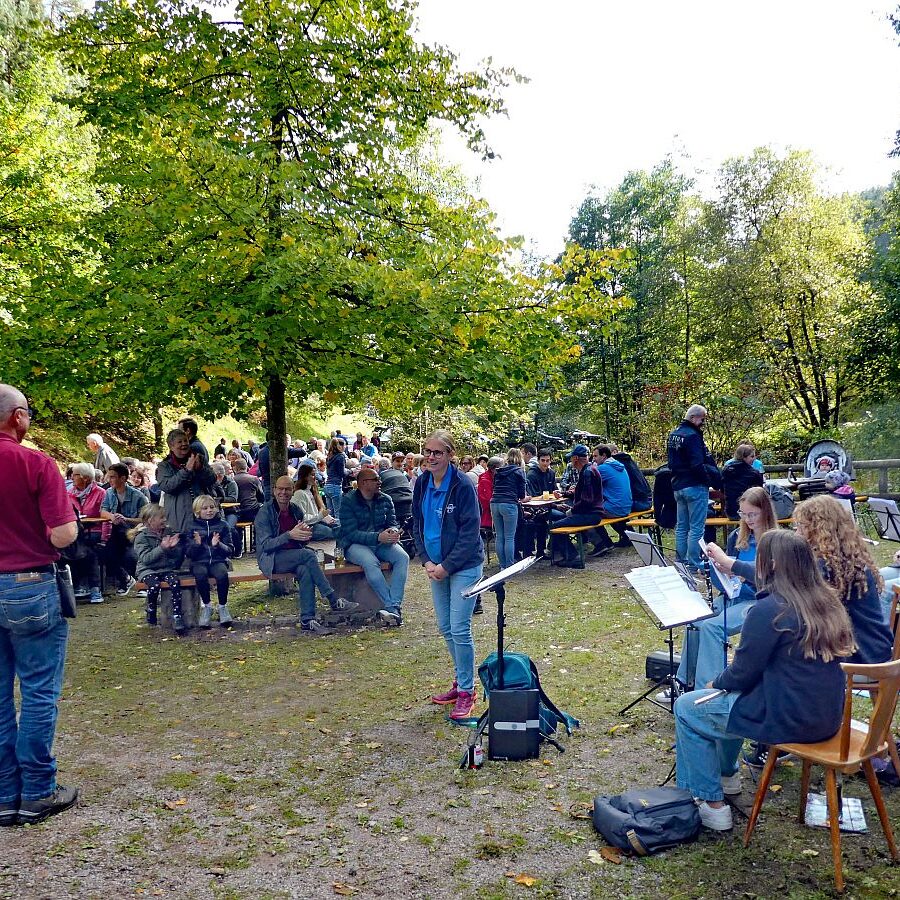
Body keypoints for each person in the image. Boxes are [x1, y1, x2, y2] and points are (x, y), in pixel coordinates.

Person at [674, 529, 855, 832]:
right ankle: (727, 775)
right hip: (827, 717)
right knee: (725, 703)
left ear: (771, 565)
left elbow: (741, 675)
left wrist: (715, 682)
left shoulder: (770, 610)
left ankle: (711, 803)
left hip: (787, 718)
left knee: (689, 707)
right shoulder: (827, 601)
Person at [0, 386, 79, 826]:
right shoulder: (34, 462)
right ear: (16, 417)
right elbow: (63, 533)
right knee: (37, 691)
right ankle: (36, 791)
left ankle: (3, 794)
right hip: (28, 583)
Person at [412, 430, 484, 720]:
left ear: (450, 455)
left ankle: (467, 691)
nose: (431, 457)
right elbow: (417, 523)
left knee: (459, 628)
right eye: (428, 451)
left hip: (463, 566)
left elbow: (470, 533)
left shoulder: (463, 485)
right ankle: (460, 679)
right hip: (435, 566)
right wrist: (427, 560)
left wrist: (446, 566)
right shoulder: (422, 482)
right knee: (444, 627)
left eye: (437, 452)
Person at [678, 487, 778, 693]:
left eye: (753, 514)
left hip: (759, 602)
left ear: (766, 511)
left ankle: (707, 691)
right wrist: (714, 566)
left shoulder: (776, 541)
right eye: (743, 514)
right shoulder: (737, 537)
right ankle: (683, 681)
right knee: (695, 620)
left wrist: (740, 572)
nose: (748, 519)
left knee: (712, 627)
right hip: (733, 595)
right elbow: (725, 579)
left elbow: (775, 582)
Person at [792, 495, 893, 666]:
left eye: (801, 527)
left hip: (860, 656)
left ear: (818, 528)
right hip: (877, 648)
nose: (797, 533)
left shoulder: (829, 567)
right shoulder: (849, 558)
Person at [255, 476, 358, 634]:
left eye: (288, 489)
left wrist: (305, 536)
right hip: (271, 559)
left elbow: (300, 541)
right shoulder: (264, 512)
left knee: (305, 569)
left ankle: (307, 620)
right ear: (274, 490)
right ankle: (333, 600)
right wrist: (290, 535)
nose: (283, 492)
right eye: (280, 489)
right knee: (308, 556)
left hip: (293, 556)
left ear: (292, 491)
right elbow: (265, 546)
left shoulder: (295, 509)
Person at [339, 468, 409, 626]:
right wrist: (378, 536)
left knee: (402, 557)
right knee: (370, 562)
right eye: (376, 479)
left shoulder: (386, 499)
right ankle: (392, 606)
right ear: (363, 483)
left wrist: (393, 531)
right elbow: (350, 533)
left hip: (381, 541)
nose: (380, 482)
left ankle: (394, 606)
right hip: (354, 544)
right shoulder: (348, 500)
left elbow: (392, 522)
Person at [666, 404, 719, 572]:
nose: (702, 424)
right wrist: (707, 480)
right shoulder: (693, 436)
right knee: (696, 527)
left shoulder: (673, 434)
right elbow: (697, 463)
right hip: (694, 485)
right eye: (702, 420)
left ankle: (681, 561)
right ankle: (693, 563)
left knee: (682, 526)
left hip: (678, 485)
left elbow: (671, 462)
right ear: (694, 418)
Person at [131, 504, 186, 633]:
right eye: (161, 517)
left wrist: (174, 548)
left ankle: (177, 615)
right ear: (150, 520)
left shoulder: (168, 532)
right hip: (147, 569)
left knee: (174, 582)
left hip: (165, 568)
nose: (165, 520)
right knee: (154, 585)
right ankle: (151, 613)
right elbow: (146, 559)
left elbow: (175, 557)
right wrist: (162, 548)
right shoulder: (141, 537)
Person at [549, 445, 605, 569]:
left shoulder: (587, 473)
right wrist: (564, 493)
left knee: (555, 526)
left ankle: (573, 557)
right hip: (593, 513)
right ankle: (565, 555)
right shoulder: (589, 469)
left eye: (571, 459)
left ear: (575, 458)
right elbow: (582, 492)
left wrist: (572, 510)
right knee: (560, 521)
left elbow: (586, 500)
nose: (570, 462)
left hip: (590, 515)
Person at [184, 495, 234, 628]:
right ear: (197, 512)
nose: (209, 511)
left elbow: (230, 550)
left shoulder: (223, 525)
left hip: (218, 560)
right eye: (205, 508)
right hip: (199, 561)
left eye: (212, 507)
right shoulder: (192, 527)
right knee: (200, 574)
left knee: (222, 574)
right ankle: (207, 606)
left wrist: (218, 545)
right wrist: (197, 544)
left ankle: (223, 607)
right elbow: (188, 552)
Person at [155, 428, 216, 534]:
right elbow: (167, 487)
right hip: (179, 517)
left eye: (185, 441)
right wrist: (186, 471)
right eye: (179, 442)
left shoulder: (199, 459)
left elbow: (212, 480)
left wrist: (200, 469)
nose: (184, 444)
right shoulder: (164, 466)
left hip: (202, 512)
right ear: (171, 446)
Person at [100, 462, 148, 595]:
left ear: (123, 478)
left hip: (134, 532)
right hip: (116, 533)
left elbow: (146, 519)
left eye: (113, 477)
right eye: (109, 477)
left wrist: (125, 519)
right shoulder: (109, 493)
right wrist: (112, 516)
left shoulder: (138, 496)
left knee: (129, 556)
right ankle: (125, 579)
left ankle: (143, 583)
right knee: (106, 554)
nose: (109, 480)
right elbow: (103, 511)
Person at [67, 462, 106, 603]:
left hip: (96, 529)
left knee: (88, 548)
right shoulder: (69, 493)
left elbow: (106, 517)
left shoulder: (101, 493)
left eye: (75, 474)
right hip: (77, 530)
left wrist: (104, 538)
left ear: (85, 478)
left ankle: (93, 588)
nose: (72, 477)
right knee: (72, 547)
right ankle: (81, 586)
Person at [588, 445, 633, 556]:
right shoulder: (619, 466)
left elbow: (588, 485)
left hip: (615, 508)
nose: (593, 459)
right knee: (605, 508)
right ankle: (628, 537)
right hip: (627, 506)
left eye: (595, 456)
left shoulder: (603, 469)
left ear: (604, 456)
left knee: (588, 513)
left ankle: (603, 544)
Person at [490, 448, 530, 570]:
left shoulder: (499, 471)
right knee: (509, 537)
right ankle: (510, 566)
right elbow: (521, 495)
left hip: (495, 503)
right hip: (509, 504)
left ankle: (502, 566)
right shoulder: (519, 471)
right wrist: (526, 498)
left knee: (500, 536)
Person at [526, 448, 564, 559]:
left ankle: (553, 547)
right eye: (543, 460)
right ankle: (545, 550)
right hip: (535, 509)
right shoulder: (532, 475)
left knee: (565, 515)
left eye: (548, 460)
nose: (545, 463)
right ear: (538, 460)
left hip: (549, 506)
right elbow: (532, 497)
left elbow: (553, 490)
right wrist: (553, 504)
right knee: (558, 517)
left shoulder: (551, 473)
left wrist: (557, 496)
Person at [292, 462, 338, 540]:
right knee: (335, 532)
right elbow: (302, 518)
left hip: (316, 522)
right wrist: (321, 516)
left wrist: (327, 518)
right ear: (305, 476)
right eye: (312, 475)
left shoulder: (311, 491)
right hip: (308, 527)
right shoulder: (299, 494)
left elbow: (317, 513)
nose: (315, 477)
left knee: (340, 524)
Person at [721, 443, 764, 520]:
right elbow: (760, 492)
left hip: (731, 512)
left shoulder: (726, 470)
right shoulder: (753, 473)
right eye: (752, 456)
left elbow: (722, 488)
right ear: (744, 457)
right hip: (749, 513)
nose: (754, 459)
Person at [324, 438, 347, 519]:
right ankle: (338, 531)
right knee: (338, 514)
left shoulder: (329, 456)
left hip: (327, 486)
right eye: (344, 445)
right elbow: (342, 473)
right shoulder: (341, 456)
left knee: (330, 515)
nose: (345, 447)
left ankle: (330, 531)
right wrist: (351, 471)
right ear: (340, 446)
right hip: (335, 486)